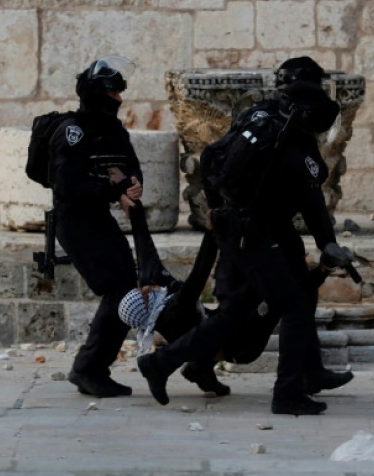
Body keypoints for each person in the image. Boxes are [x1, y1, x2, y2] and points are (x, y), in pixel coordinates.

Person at [136, 57, 356, 415]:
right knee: (295, 304)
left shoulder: (263, 117)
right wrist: (326, 242)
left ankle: (161, 364)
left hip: (247, 228)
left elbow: (211, 157)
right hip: (253, 233)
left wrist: (213, 206)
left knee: (241, 310)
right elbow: (311, 196)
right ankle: (288, 393)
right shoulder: (288, 137)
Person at [49, 56, 145, 398]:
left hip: (98, 219)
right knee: (119, 290)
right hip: (75, 221)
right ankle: (89, 369)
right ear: (95, 93)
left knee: (127, 287)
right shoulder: (72, 132)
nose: (119, 99)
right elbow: (67, 187)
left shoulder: (113, 130)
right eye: (113, 92)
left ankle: (91, 368)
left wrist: (132, 186)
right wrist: (113, 191)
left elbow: (129, 164)